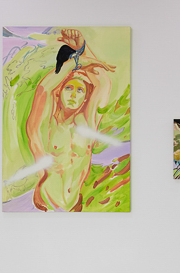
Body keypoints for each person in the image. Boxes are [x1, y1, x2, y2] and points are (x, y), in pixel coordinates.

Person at [25, 29, 116, 211]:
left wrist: (82, 48)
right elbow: (44, 90)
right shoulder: (46, 124)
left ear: (85, 97)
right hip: (46, 204)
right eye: (69, 88)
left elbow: (103, 82)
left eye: (80, 90)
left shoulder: (87, 123)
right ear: (59, 92)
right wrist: (77, 62)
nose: (74, 95)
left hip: (74, 205)